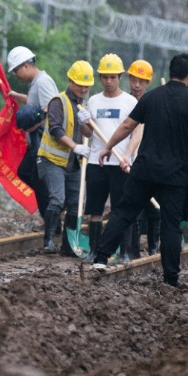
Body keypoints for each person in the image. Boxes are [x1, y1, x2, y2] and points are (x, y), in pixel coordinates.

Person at [90, 53, 188, 288]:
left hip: (145, 170)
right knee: (170, 225)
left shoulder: (151, 97)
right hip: (175, 175)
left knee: (124, 212)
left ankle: (100, 258)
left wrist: (107, 147)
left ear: (170, 72)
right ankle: (170, 279)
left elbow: (128, 125)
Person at [79, 54, 138, 260]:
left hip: (121, 163)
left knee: (121, 209)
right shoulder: (94, 101)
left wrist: (128, 155)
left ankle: (124, 252)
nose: (109, 81)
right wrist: (83, 122)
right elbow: (88, 133)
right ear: (100, 78)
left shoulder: (130, 102)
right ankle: (94, 251)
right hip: (97, 162)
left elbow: (137, 132)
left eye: (113, 77)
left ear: (120, 77)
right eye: (105, 77)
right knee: (95, 210)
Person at [36, 60, 93, 253]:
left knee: (77, 203)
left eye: (86, 86)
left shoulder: (82, 106)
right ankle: (49, 241)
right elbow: (55, 129)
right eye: (79, 84)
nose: (83, 89)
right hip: (51, 160)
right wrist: (74, 146)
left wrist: (86, 123)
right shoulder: (58, 102)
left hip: (73, 163)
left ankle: (69, 246)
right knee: (58, 199)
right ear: (70, 81)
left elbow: (88, 133)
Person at [6, 45, 59, 231]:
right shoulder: (36, 83)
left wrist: (33, 126)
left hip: (43, 142)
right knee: (25, 173)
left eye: (16, 70)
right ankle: (52, 215)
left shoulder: (43, 82)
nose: (15, 75)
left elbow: (52, 107)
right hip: (35, 143)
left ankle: (52, 222)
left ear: (26, 65)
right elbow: (35, 102)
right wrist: (17, 96)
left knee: (38, 180)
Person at [124, 59, 159, 255]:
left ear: (147, 83)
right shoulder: (123, 101)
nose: (137, 85)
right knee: (133, 206)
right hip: (129, 161)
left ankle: (154, 248)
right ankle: (133, 249)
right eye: (134, 80)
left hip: (151, 160)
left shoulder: (155, 102)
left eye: (141, 81)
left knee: (153, 206)